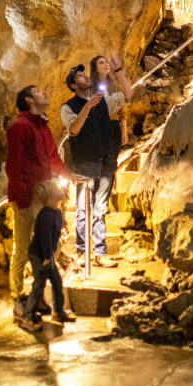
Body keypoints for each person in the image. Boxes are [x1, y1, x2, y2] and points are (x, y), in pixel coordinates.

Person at [6, 85, 73, 321]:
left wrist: (68, 174)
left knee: (50, 245)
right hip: (27, 195)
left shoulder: (42, 126)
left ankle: (39, 294)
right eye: (37, 91)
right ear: (28, 99)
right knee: (23, 247)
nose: (44, 92)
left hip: (44, 194)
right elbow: (14, 165)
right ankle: (18, 296)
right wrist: (23, 199)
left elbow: (52, 157)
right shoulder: (20, 126)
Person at [61, 55, 133, 267]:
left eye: (84, 74)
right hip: (85, 162)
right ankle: (82, 252)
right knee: (83, 209)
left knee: (100, 209)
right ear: (74, 85)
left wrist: (118, 71)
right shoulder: (68, 107)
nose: (85, 76)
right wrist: (87, 107)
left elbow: (128, 95)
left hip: (105, 161)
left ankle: (100, 253)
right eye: (79, 76)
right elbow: (74, 129)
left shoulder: (103, 100)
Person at [20, 180, 76, 332]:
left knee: (57, 282)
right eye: (54, 200)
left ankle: (58, 312)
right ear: (48, 200)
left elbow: (54, 233)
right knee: (38, 285)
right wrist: (46, 257)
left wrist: (50, 254)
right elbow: (44, 238)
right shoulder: (45, 215)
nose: (57, 202)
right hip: (39, 255)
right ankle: (28, 317)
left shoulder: (56, 212)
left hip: (48, 254)